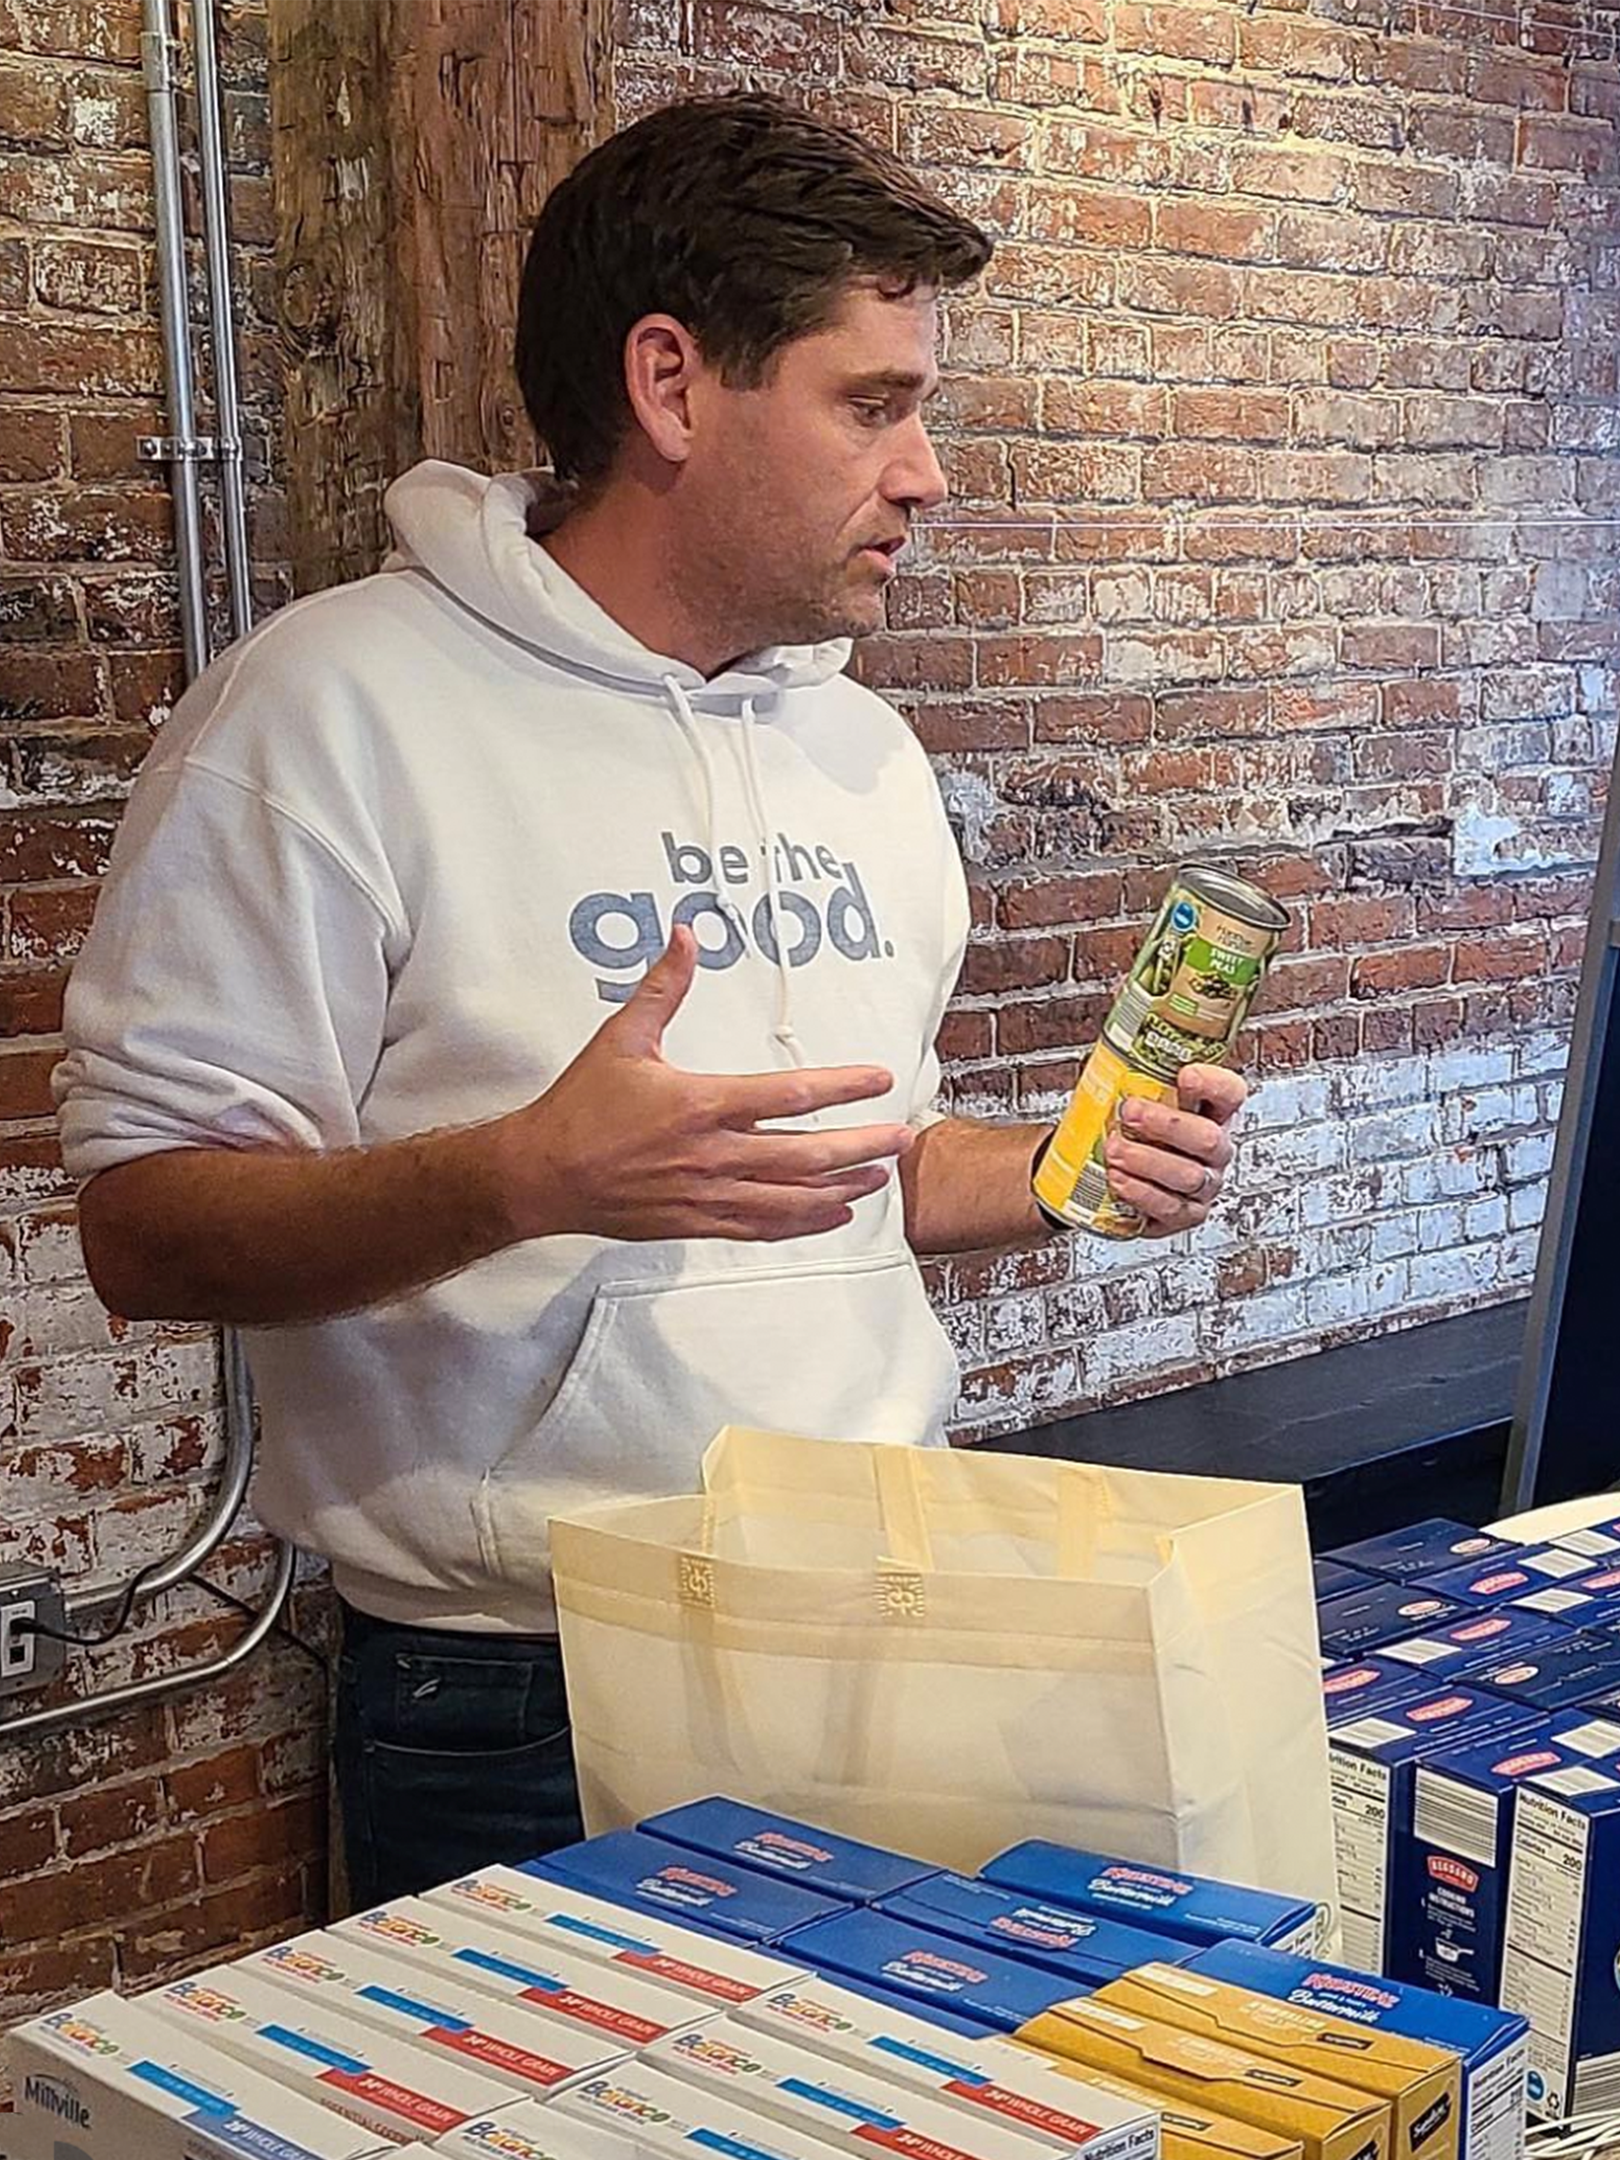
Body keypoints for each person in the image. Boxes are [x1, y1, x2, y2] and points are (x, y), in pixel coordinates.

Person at [54, 93, 1245, 1905]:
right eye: (873, 405)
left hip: (889, 1619)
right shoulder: (327, 715)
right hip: (520, 1686)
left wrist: (1070, 1167)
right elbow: (145, 1229)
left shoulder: (863, 750)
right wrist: (527, 1175)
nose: (926, 473)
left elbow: (856, 1164)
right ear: (673, 386)